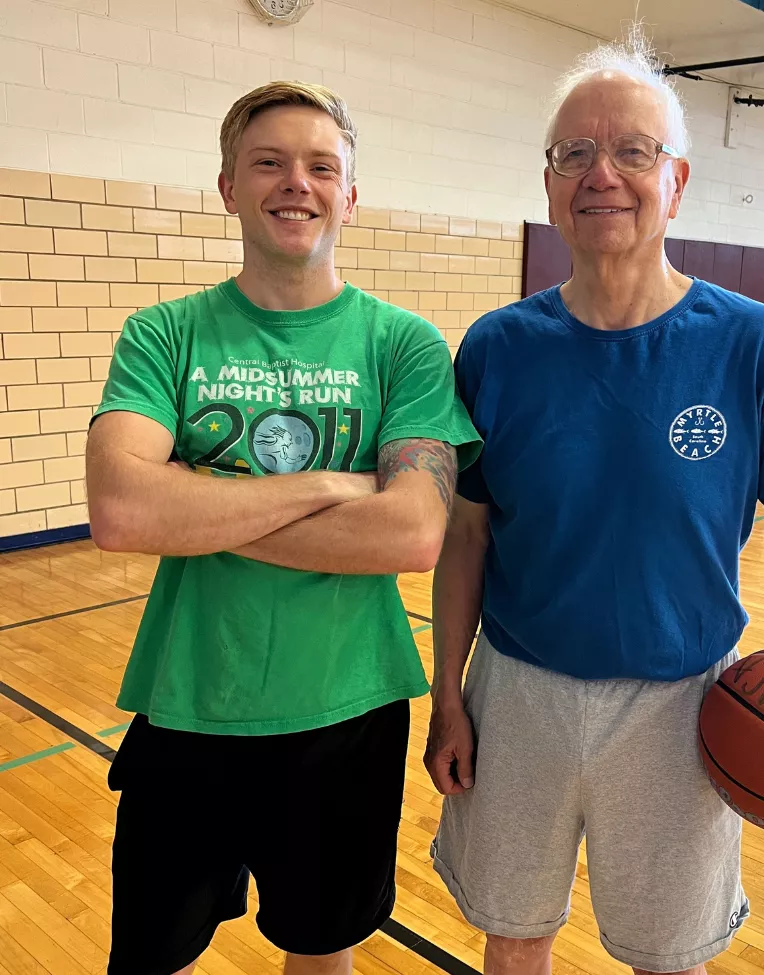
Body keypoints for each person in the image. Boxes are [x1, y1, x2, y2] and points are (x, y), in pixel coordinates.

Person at [423, 33, 764, 975]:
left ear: (677, 180)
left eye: (632, 151)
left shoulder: (758, 346)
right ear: (548, 185)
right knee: (514, 934)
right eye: (574, 153)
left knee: (670, 957)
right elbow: (468, 532)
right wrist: (446, 692)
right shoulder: (497, 346)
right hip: (518, 689)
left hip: (684, 706)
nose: (601, 175)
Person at [86, 81, 480, 975]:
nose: (293, 183)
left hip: (348, 708)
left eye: (319, 166)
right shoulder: (164, 335)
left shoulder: (404, 345)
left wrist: (194, 502)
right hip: (191, 699)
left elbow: (413, 534)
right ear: (227, 184)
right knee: (150, 953)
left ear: (349, 195)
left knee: (320, 947)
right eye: (267, 162)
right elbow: (120, 509)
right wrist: (336, 486)